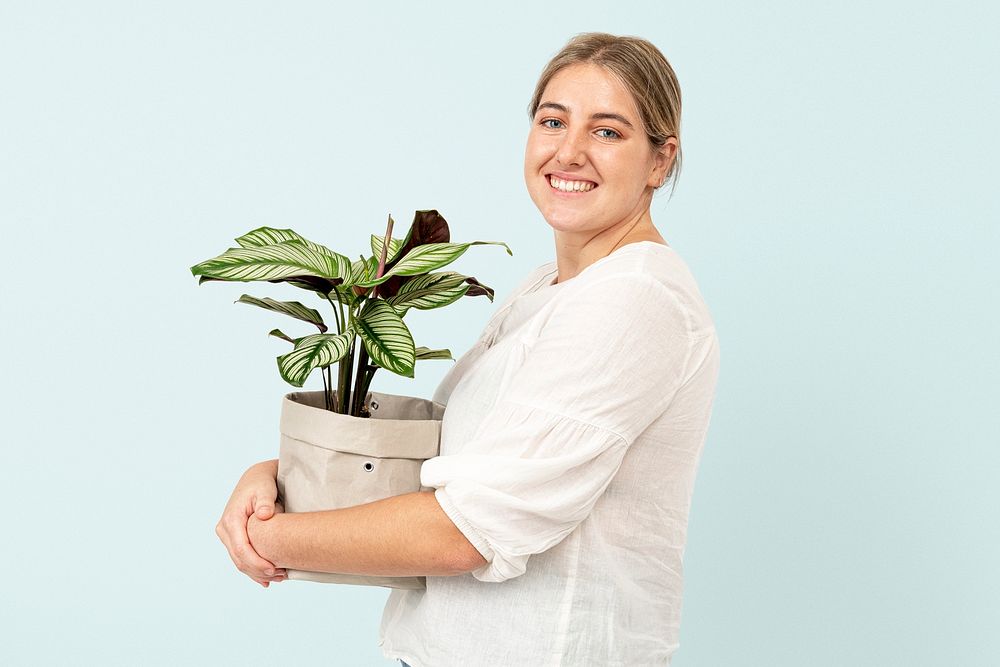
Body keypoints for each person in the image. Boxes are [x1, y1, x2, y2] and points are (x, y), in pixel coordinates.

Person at [216, 31, 720, 665]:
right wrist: (273, 478)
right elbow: (445, 465)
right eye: (553, 121)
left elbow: (470, 529)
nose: (569, 152)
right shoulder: (554, 287)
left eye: (608, 132)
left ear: (659, 160)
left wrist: (270, 538)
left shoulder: (632, 300)